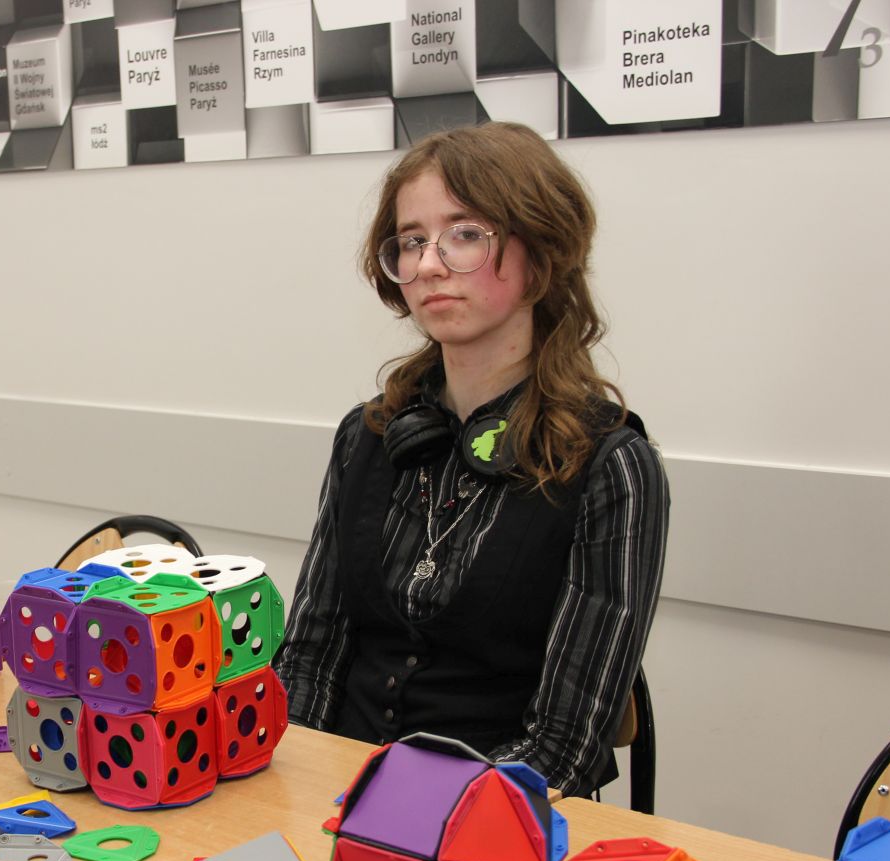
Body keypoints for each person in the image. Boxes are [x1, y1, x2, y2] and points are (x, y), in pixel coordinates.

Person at [275, 122, 668, 800]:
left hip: (496, 824)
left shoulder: (611, 466)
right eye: (411, 241)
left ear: (540, 251)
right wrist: (288, 789)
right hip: (336, 798)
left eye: (463, 234)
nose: (429, 264)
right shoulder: (367, 436)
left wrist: (401, 820)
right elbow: (309, 658)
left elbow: (562, 748)